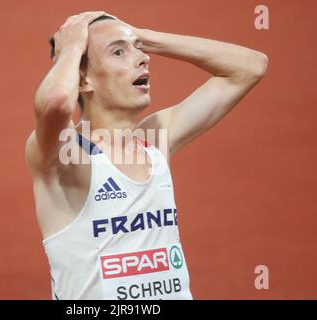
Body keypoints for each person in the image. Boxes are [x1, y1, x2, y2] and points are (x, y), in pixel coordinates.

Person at [25, 11, 268, 300]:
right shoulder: (70, 156)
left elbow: (250, 67)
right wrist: (74, 47)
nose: (142, 59)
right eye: (118, 53)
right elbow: (55, 102)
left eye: (136, 51)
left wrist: (142, 37)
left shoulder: (154, 140)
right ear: (84, 80)